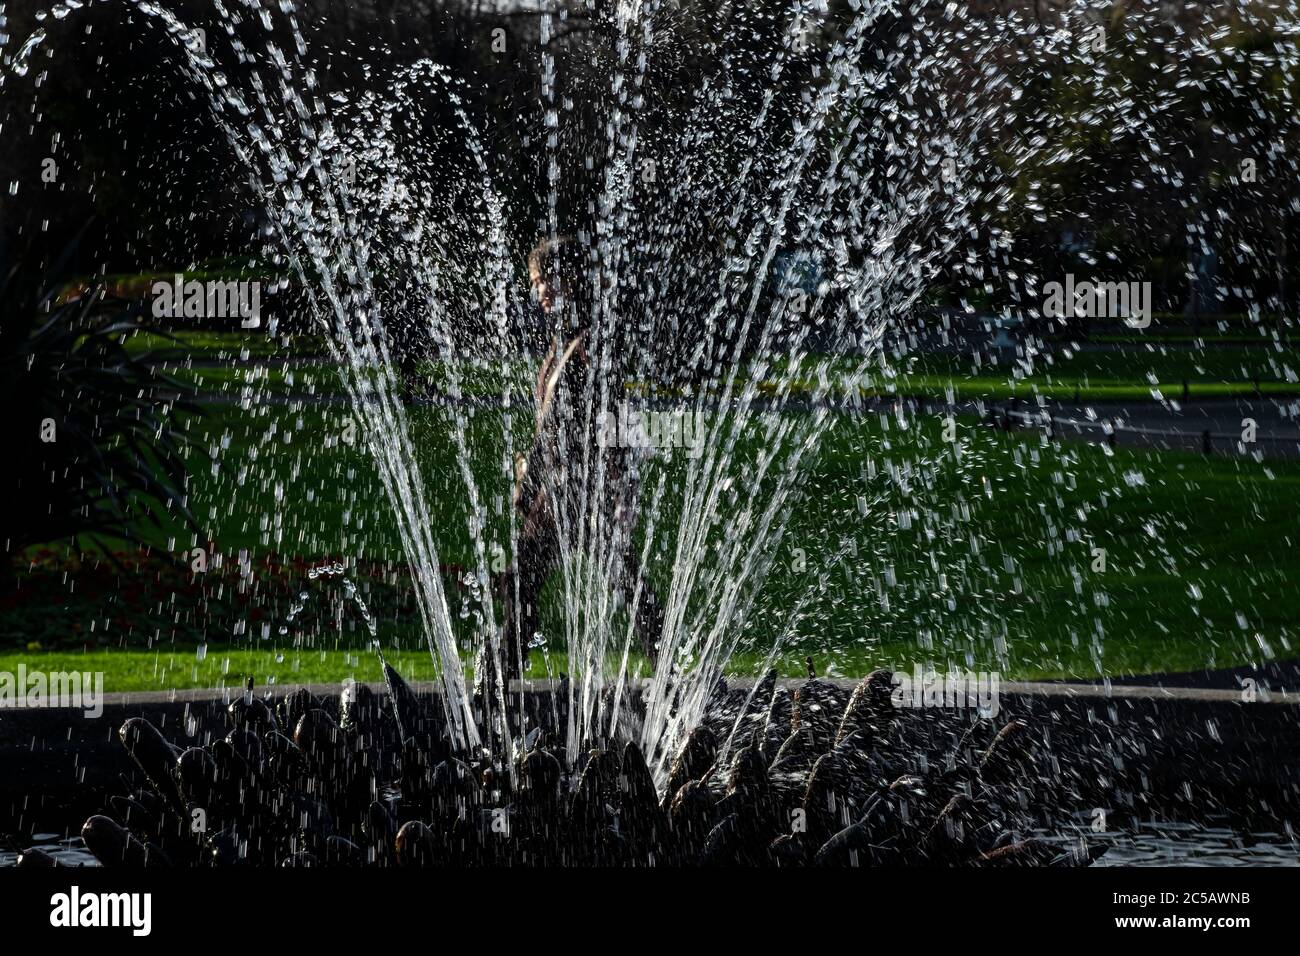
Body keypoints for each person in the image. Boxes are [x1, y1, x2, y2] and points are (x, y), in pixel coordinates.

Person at [492, 236, 664, 685]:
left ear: (571, 279)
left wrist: (531, 484)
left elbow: (602, 423)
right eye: (535, 284)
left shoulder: (586, 346)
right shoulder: (564, 345)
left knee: (532, 574)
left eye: (547, 279)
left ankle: (499, 678)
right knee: (617, 580)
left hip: (578, 489)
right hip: (569, 489)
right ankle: (670, 665)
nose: (541, 291)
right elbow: (553, 425)